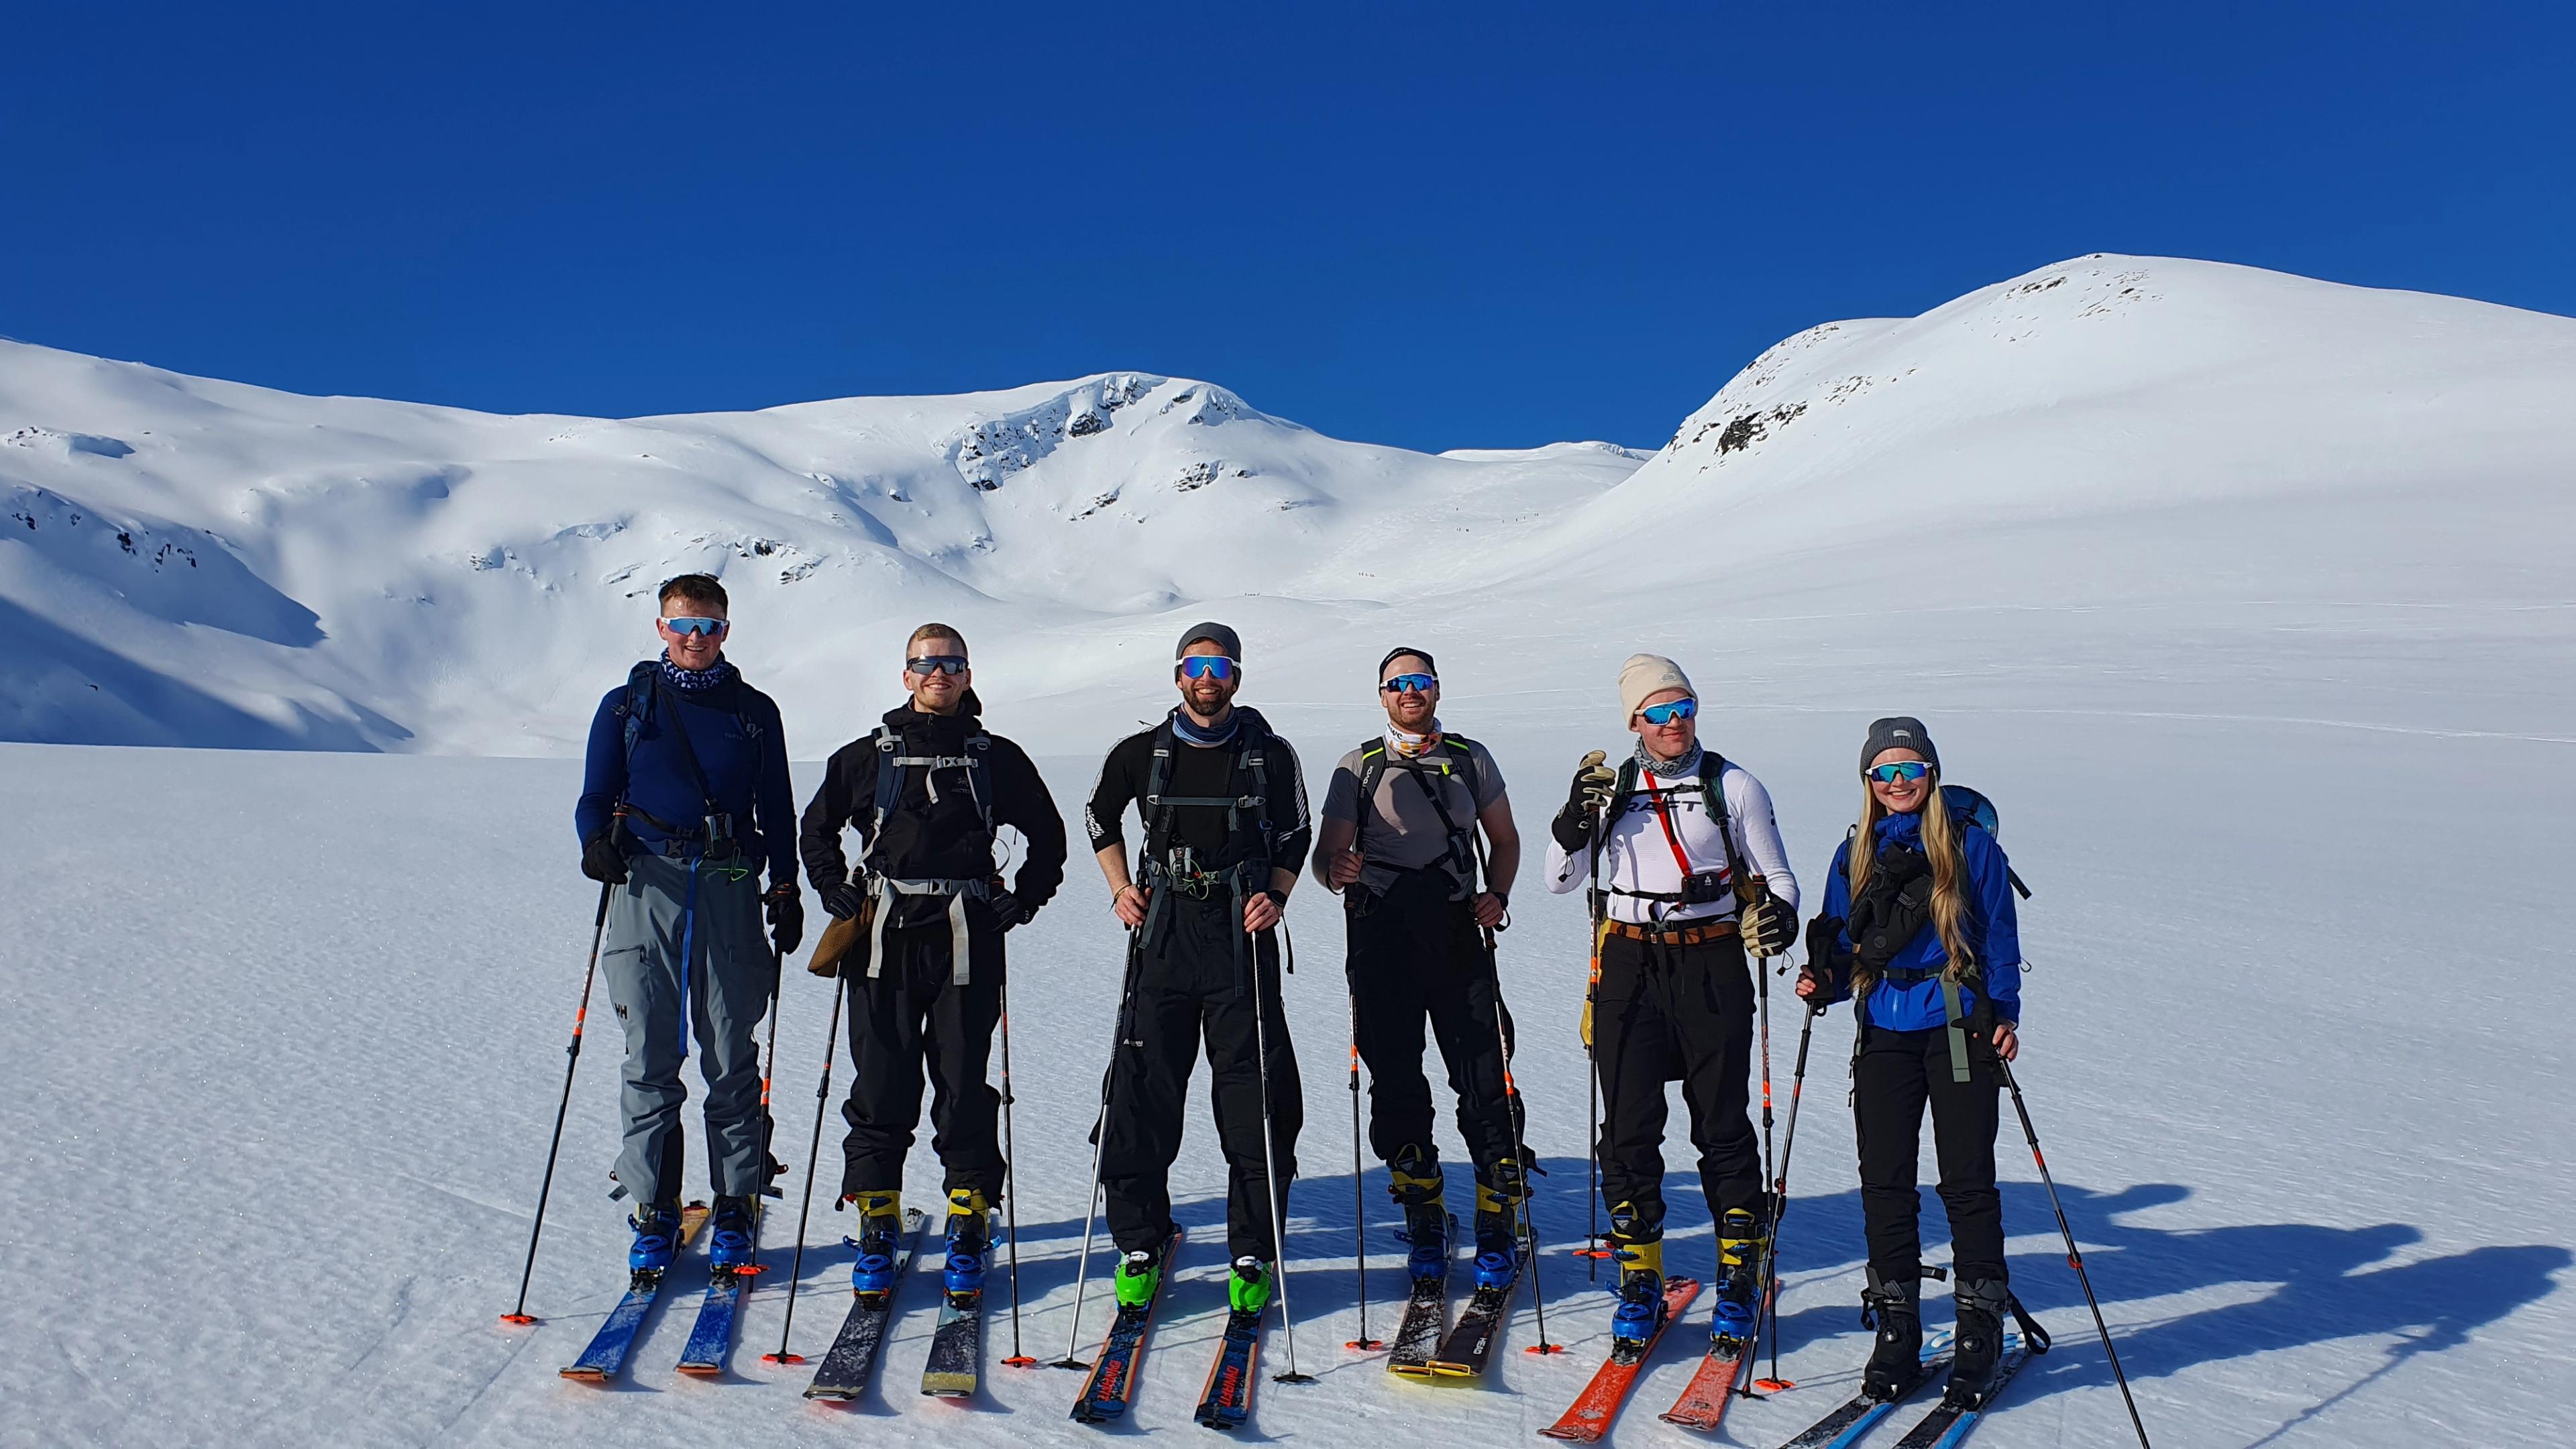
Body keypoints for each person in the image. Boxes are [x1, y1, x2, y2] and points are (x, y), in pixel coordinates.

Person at [796, 624, 1066, 1302]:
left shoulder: (994, 757)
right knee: (881, 1080)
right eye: (926, 664)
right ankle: (878, 1217)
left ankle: (969, 1217)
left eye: (950, 664)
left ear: (968, 675)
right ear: (906, 674)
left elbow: (1049, 836)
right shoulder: (866, 757)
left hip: (967, 938)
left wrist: (1025, 900)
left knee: (962, 1081)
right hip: (884, 936)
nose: (938, 674)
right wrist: (831, 885)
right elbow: (816, 826)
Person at [1542, 653, 1799, 1348]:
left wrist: (1778, 916)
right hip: (1626, 962)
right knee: (1628, 1130)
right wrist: (1573, 819)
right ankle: (1640, 1275)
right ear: (1634, 721)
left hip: (1710, 959)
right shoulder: (1611, 788)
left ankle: (1740, 1270)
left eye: (1683, 706)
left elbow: (1777, 875)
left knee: (1722, 1123)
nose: (1674, 721)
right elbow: (1560, 880)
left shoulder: (1733, 785)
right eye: (1658, 711)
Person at [1798, 716, 2029, 1409]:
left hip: (1957, 1024)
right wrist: (1824, 984)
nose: (1898, 782)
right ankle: (1897, 1327)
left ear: (1931, 772)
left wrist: (2007, 1011)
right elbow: (1843, 941)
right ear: (1868, 782)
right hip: (1882, 1026)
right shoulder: (1855, 851)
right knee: (1886, 1182)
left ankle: (1977, 1328)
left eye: (1910, 769)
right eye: (1883, 772)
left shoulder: (1969, 846)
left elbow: (2000, 934)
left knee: (1966, 1180)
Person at [573, 573, 801, 1276]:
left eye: (709, 625)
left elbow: (778, 808)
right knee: (651, 1051)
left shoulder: (754, 711)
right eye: (683, 624)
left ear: (727, 631)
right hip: (649, 882)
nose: (696, 638)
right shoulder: (625, 708)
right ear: (661, 628)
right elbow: (595, 796)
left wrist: (786, 884)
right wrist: (595, 844)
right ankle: (655, 1208)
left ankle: (736, 1204)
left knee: (732, 1051)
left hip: (731, 881)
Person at [1084, 622, 1311, 1316]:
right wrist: (1120, 887)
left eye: (1219, 665)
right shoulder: (1140, 752)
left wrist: (1275, 896)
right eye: (1194, 664)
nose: (1206, 676)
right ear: (1177, 674)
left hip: (1241, 932)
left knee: (1255, 1091)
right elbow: (1098, 815)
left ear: (1236, 675)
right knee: (1143, 1087)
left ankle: (1251, 1248)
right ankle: (1140, 1242)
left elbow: (1297, 832)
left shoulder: (1269, 754)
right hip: (1163, 931)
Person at [1313, 647, 1528, 1289]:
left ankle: (1497, 1208)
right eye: (1397, 684)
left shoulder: (1469, 758)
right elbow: (1328, 855)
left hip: (1458, 930)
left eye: (1420, 682)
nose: (1410, 692)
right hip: (1382, 936)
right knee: (1397, 1075)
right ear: (1382, 695)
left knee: (1484, 1072)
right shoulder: (1359, 766)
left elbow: (1506, 841)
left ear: (1437, 690)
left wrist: (1499, 895)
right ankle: (1422, 1205)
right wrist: (1336, 872)